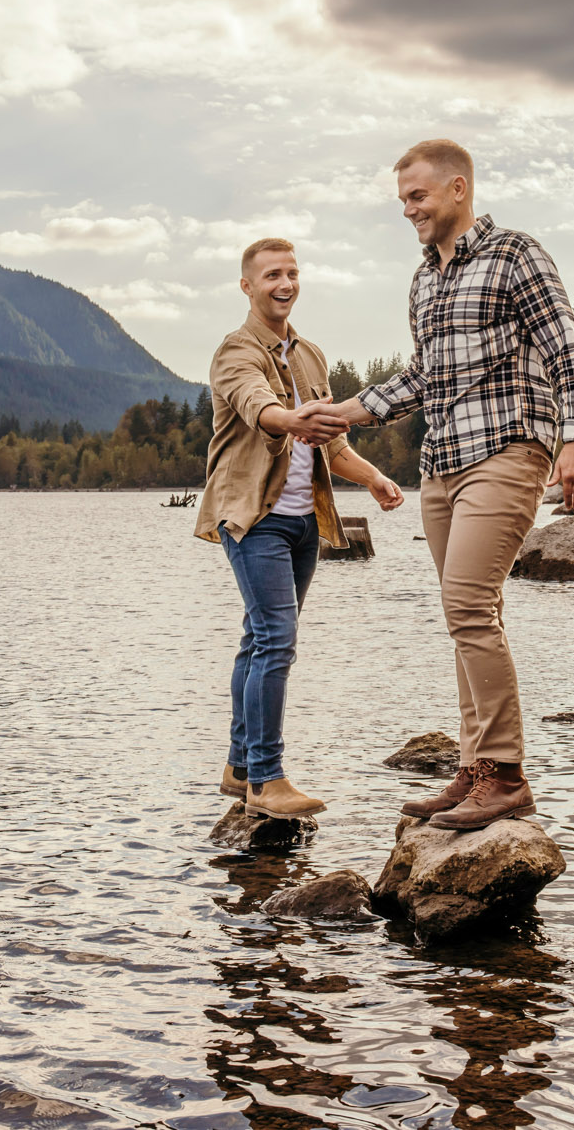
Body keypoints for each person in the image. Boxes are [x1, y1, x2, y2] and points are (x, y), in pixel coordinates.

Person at [326, 139, 574, 829]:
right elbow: (421, 377)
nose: (409, 211)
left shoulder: (516, 254)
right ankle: (475, 769)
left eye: (417, 197)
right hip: (442, 464)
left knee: (467, 606)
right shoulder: (424, 279)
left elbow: (565, 348)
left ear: (458, 190)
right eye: (402, 201)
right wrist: (344, 413)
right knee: (469, 619)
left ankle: (508, 777)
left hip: (509, 450)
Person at [195, 237, 405, 819]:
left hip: (305, 524)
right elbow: (257, 405)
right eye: (270, 276)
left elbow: (331, 441)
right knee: (276, 642)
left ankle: (239, 769)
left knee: (259, 640)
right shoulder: (235, 351)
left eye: (291, 273)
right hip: (254, 519)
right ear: (247, 286)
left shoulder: (310, 355)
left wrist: (374, 478)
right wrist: (291, 419)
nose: (283, 284)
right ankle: (267, 779)